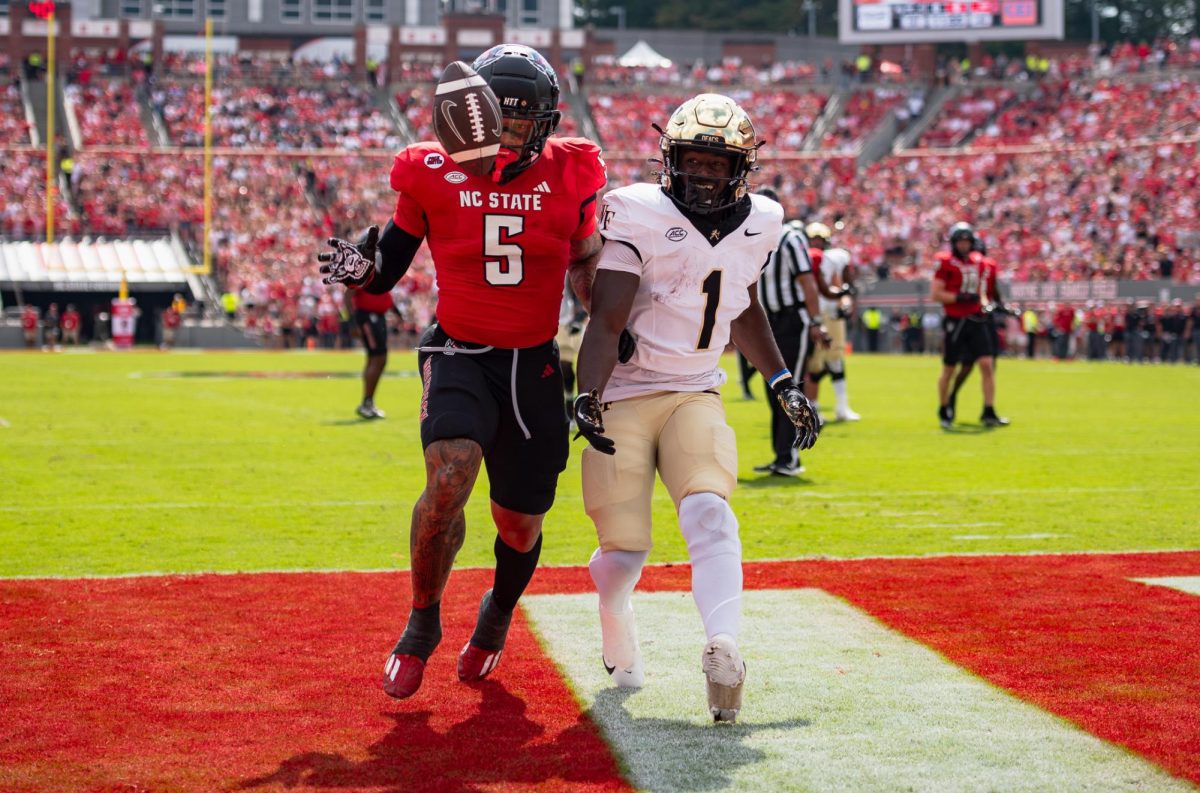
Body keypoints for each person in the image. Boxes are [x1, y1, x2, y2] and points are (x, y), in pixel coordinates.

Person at [317, 43, 608, 700]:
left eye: (516, 121)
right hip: (458, 350)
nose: (503, 134)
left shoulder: (575, 173)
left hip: (533, 363)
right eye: (491, 119)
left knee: (520, 523)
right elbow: (387, 268)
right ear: (464, 115)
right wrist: (350, 266)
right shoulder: (428, 169)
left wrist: (613, 316)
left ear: (546, 121)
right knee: (449, 473)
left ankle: (499, 609)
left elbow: (587, 263)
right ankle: (422, 620)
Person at [572, 93, 820, 723]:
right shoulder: (636, 211)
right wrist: (589, 395)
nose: (704, 175)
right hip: (628, 390)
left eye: (718, 163)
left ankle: (724, 647)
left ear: (742, 167)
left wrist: (784, 380)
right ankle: (616, 616)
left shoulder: (764, 220)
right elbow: (605, 320)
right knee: (623, 556)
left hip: (695, 389)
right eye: (694, 161)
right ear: (670, 159)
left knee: (711, 512)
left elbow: (744, 305)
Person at [751, 195, 825, 476]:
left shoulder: (791, 238)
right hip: (766, 321)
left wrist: (817, 321)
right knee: (773, 391)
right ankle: (781, 455)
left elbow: (807, 281)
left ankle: (791, 456)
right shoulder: (750, 235)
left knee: (789, 388)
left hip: (792, 320)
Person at [930, 222, 1008, 428]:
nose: (964, 245)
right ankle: (944, 407)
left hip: (977, 320)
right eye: (960, 241)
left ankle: (989, 410)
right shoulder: (945, 262)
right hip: (955, 322)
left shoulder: (979, 262)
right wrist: (959, 297)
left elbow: (981, 293)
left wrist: (986, 305)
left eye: (967, 241)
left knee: (986, 365)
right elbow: (936, 294)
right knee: (949, 369)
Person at [804, 222, 861, 422]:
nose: (816, 244)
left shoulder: (833, 259)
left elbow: (839, 285)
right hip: (812, 315)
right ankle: (814, 409)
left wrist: (845, 303)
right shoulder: (802, 258)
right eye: (813, 240)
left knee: (836, 360)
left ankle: (842, 407)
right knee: (814, 365)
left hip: (831, 314)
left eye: (819, 240)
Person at [343, 281, 395, 419]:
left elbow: (385, 294)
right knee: (377, 357)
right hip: (368, 317)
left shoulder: (381, 270)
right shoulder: (364, 268)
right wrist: (352, 322)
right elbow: (348, 295)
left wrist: (396, 312)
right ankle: (366, 402)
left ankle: (368, 402)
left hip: (378, 317)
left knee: (378, 359)